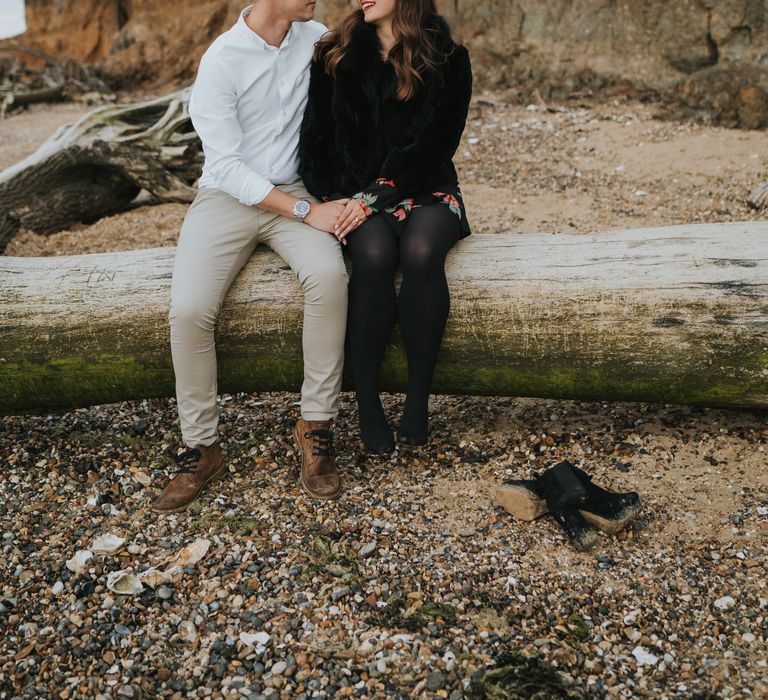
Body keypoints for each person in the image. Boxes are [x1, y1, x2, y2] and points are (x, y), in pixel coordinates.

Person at [152, 0, 350, 514]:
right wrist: (309, 211)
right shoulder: (222, 59)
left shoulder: (317, 38)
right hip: (228, 196)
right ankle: (202, 447)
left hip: (295, 188)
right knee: (190, 309)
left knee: (329, 278)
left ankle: (316, 425)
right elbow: (229, 168)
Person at [298, 0, 473, 453]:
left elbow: (437, 143)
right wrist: (340, 196)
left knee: (420, 253)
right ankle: (369, 405)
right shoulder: (333, 54)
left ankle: (417, 403)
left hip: (426, 186)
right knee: (374, 257)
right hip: (352, 195)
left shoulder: (448, 57)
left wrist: (376, 194)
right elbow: (316, 143)